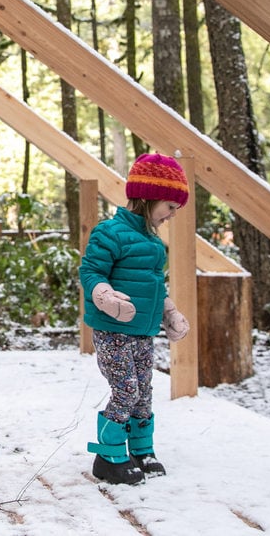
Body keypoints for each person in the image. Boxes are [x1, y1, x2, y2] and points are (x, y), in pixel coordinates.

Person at [80, 153, 191, 485]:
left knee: (144, 389)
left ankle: (142, 449)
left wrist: (169, 311)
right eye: (170, 206)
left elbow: (153, 284)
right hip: (113, 330)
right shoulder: (109, 232)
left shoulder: (153, 241)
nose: (173, 214)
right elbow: (91, 271)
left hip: (143, 331)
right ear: (147, 197)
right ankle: (108, 455)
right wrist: (105, 295)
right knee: (126, 389)